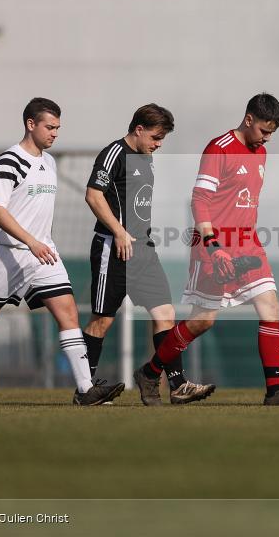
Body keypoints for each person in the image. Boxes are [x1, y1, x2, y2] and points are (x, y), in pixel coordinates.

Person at [0, 98, 124, 406]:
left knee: (68, 312)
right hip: (6, 253)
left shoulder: (49, 162)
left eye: (58, 128)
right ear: (30, 124)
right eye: (49, 127)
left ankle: (85, 390)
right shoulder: (9, 160)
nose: (55, 134)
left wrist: (40, 243)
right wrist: (30, 241)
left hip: (43, 254)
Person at [133, 93, 279, 406]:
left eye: (272, 133)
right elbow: (200, 200)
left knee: (270, 307)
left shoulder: (261, 152)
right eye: (264, 130)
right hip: (214, 246)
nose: (267, 138)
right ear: (248, 119)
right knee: (203, 321)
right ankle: (150, 372)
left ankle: (275, 392)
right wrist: (214, 247)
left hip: (248, 244)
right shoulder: (219, 148)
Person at [83, 103, 214, 404]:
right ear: (138, 129)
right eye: (155, 137)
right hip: (114, 249)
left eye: (162, 139)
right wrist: (119, 231)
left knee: (165, 314)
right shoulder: (114, 153)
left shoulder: (146, 157)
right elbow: (93, 195)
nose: (158, 144)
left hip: (144, 249)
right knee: (102, 320)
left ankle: (177, 385)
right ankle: (84, 386)